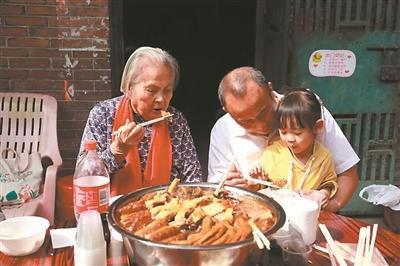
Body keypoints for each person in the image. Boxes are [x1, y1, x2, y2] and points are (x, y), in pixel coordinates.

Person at [208, 66, 359, 212]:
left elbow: (347, 173)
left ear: (270, 89)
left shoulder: (304, 110)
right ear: (227, 111)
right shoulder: (223, 130)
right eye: (245, 121)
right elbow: (215, 192)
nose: (260, 125)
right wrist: (228, 188)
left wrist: (329, 207)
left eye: (263, 112)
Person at [79, 46, 202, 196]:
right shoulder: (103, 114)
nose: (161, 99)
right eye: (151, 90)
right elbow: (86, 177)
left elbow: (193, 178)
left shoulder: (176, 122)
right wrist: (118, 151)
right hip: (112, 209)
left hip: (165, 211)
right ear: (129, 88)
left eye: (167, 90)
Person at [249, 89, 337, 208]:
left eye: (297, 133)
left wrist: (323, 193)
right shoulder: (273, 152)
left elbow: (328, 182)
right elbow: (263, 189)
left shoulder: (324, 157)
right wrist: (257, 183)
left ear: (317, 127)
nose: (290, 139)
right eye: (283, 132)